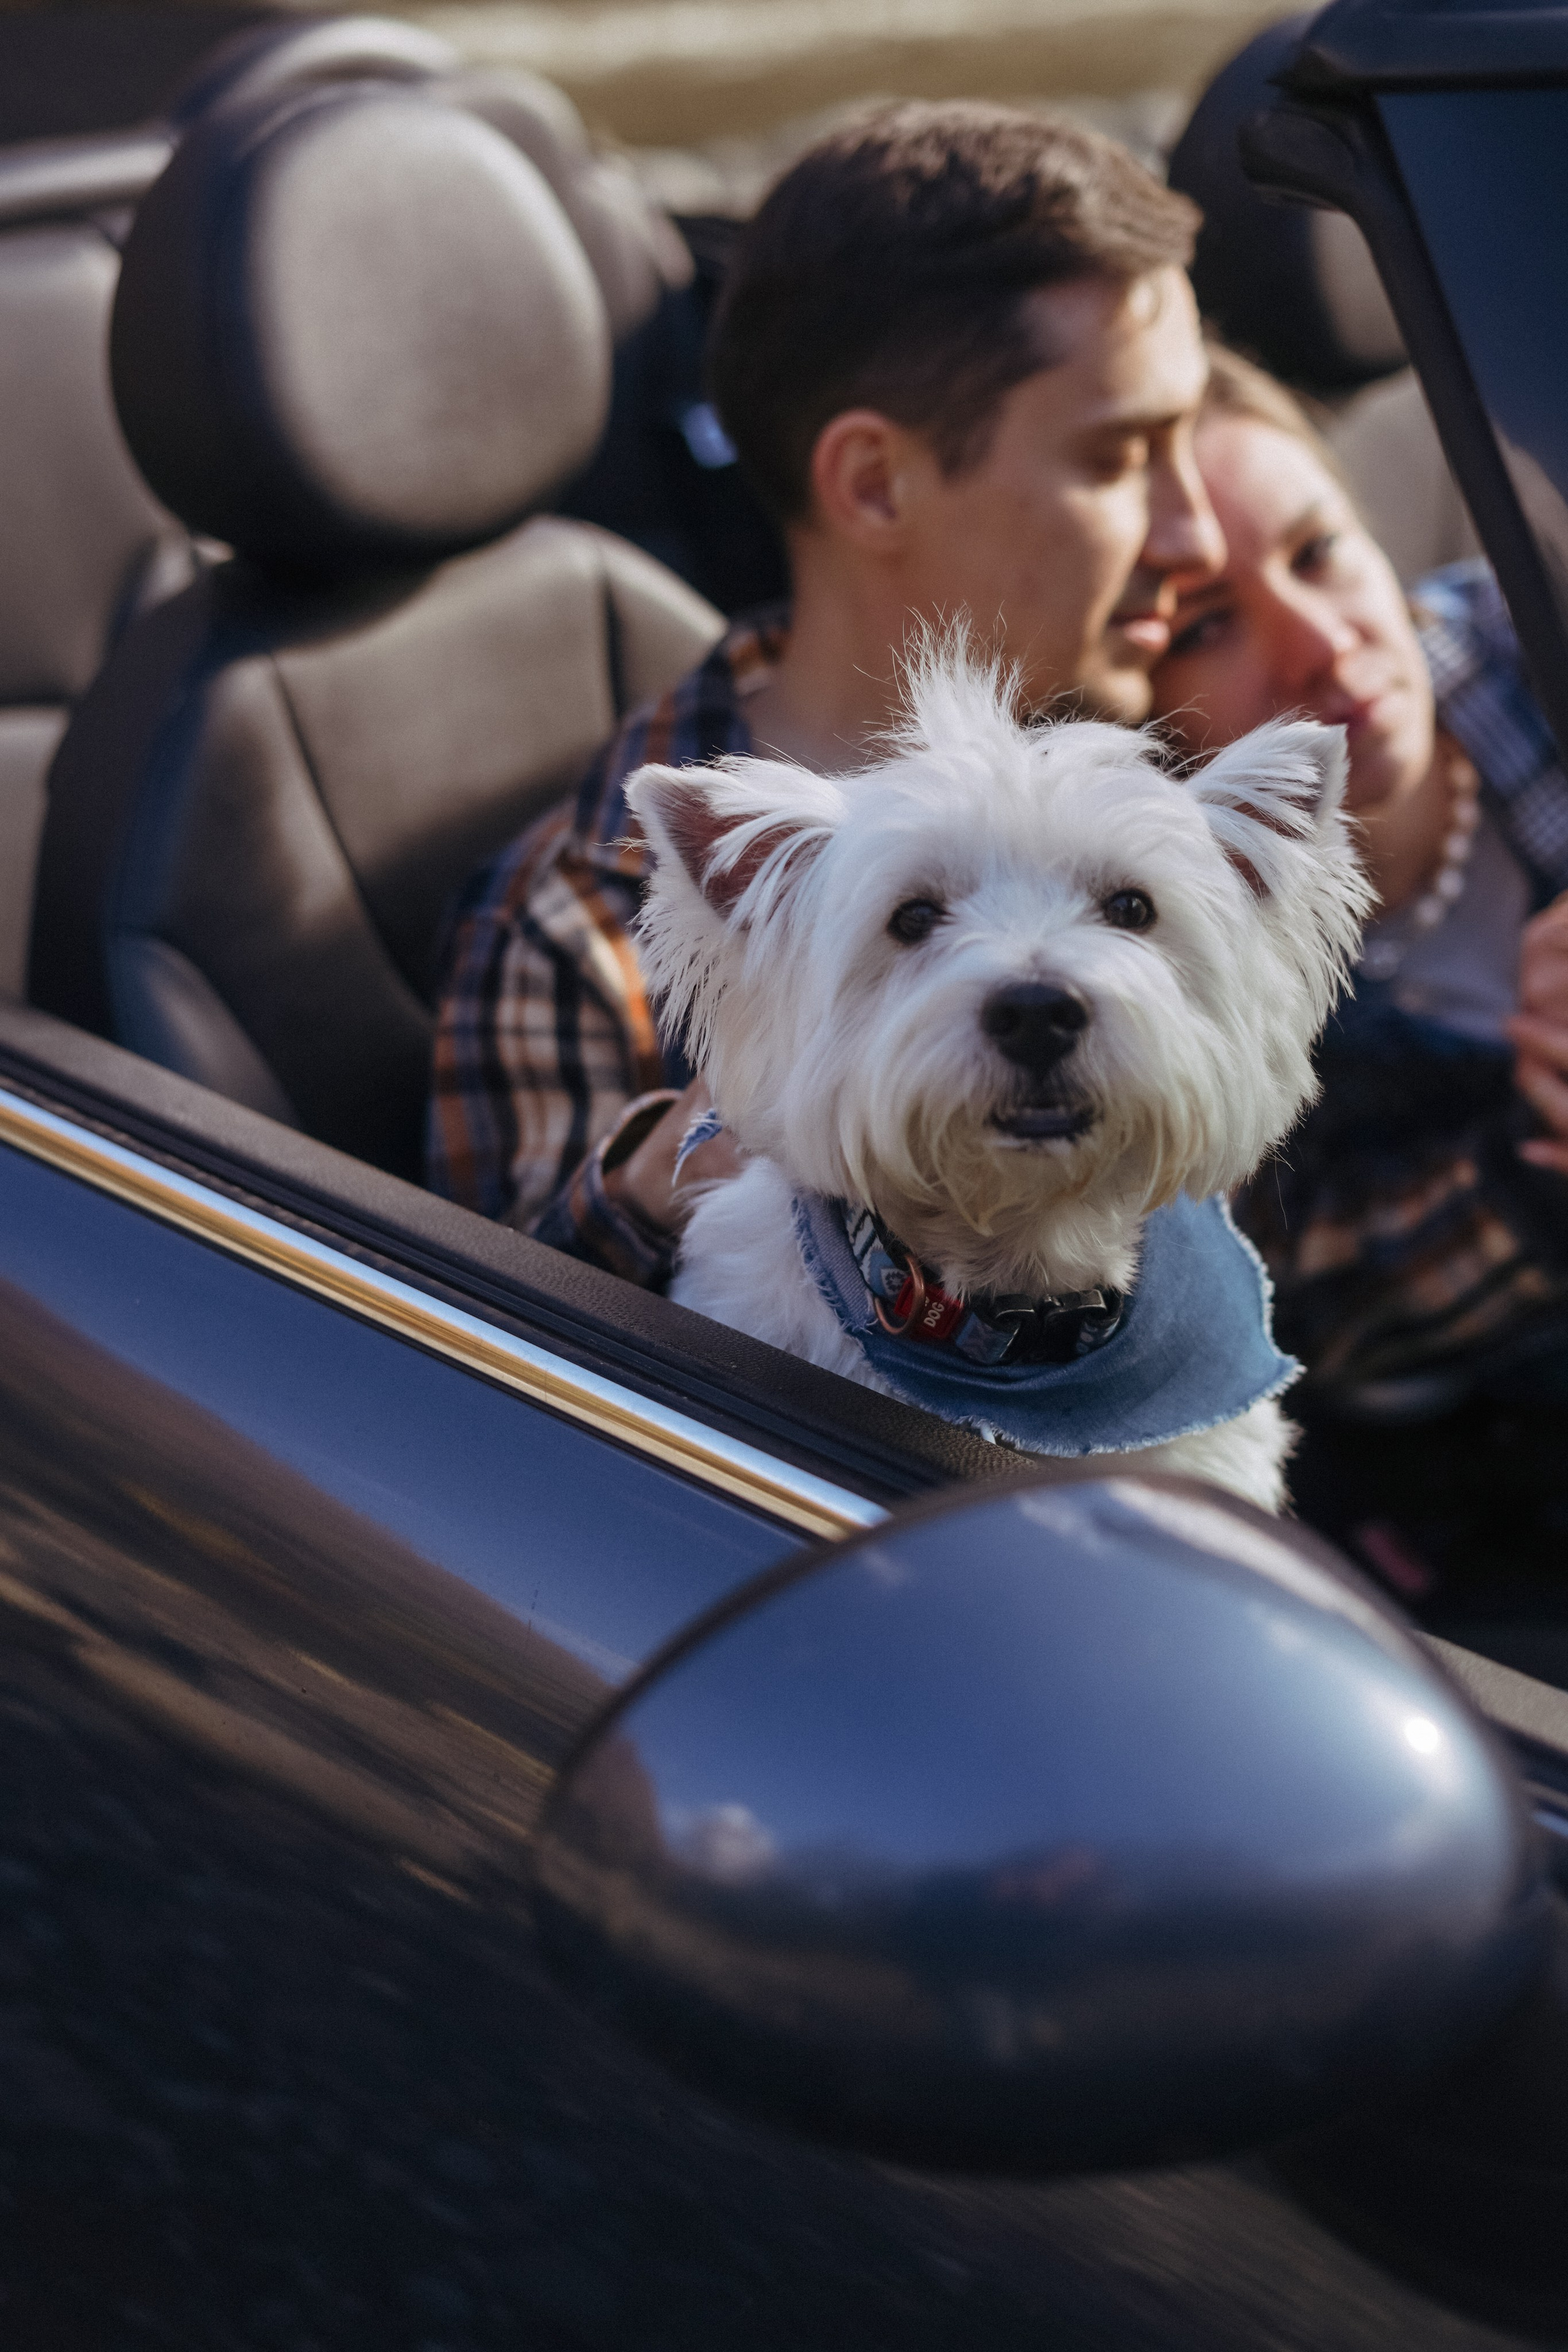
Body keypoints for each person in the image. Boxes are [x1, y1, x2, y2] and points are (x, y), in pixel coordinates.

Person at [426, 102, 1224, 1285]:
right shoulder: (583, 930)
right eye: (1117, 459)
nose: (1200, 535)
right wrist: (676, 1172)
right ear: (875, 485)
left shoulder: (1175, 753)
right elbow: (502, 1365)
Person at [1149, 344, 1568, 1584]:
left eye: (1319, 551)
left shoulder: (1535, 640)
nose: (1320, 644)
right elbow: (1315, 1321)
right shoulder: (1165, 959)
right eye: (1207, 624)